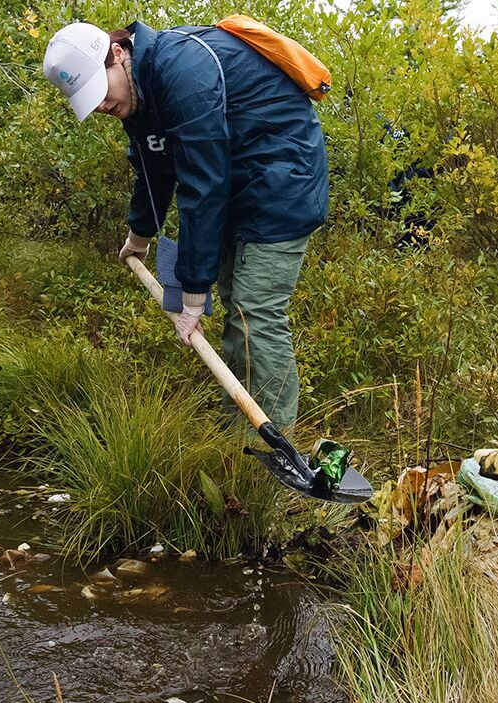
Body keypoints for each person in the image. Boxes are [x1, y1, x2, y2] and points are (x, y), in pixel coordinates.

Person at [41, 20, 328, 430]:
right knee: (237, 311)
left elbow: (201, 184)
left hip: (282, 178)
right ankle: (240, 428)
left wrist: (193, 295)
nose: (101, 105)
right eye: (90, 99)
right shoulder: (138, 91)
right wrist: (138, 236)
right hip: (236, 182)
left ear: (118, 55)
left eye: (100, 90)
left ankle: (274, 443)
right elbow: (153, 167)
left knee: (254, 312)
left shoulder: (182, 71)